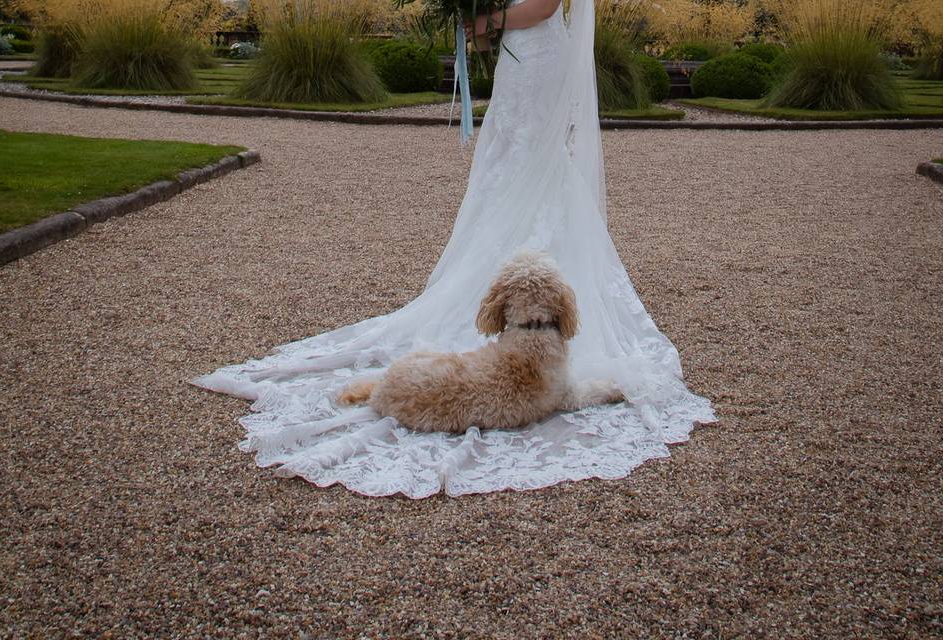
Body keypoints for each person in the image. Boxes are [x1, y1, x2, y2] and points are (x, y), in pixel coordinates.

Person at [193, 0, 715, 498]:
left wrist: (485, 19)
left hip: (540, 55)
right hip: (520, 58)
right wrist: (484, 27)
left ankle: (533, 292)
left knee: (533, 161)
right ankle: (503, 288)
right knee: (506, 160)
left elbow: (545, 7)